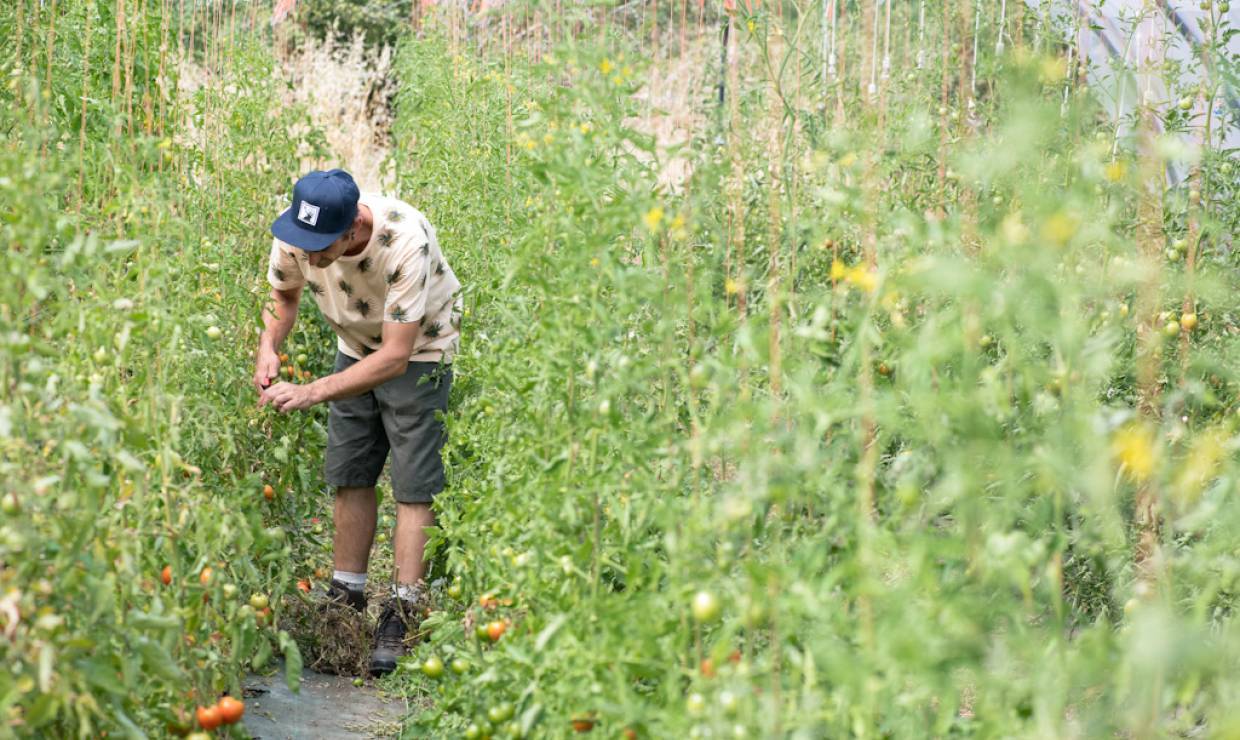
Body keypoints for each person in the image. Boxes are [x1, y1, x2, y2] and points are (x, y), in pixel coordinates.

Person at [254, 168, 462, 676]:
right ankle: (346, 596)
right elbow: (283, 296)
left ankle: (403, 610)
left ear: (353, 229)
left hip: (420, 350)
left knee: (413, 485)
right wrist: (268, 348)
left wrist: (310, 391)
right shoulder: (297, 237)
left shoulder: (403, 240)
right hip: (354, 343)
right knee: (349, 470)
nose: (310, 257)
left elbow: (395, 356)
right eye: (304, 244)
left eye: (322, 247)